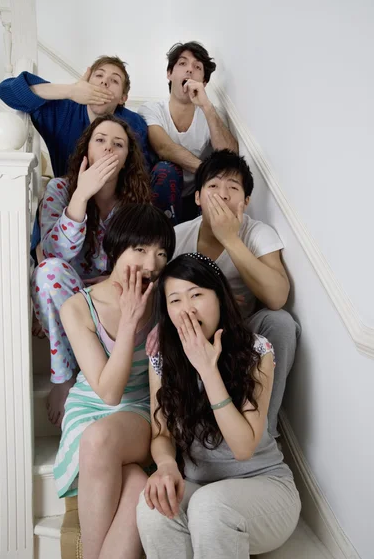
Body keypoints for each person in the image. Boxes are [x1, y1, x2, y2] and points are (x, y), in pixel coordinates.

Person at [137, 253, 301, 558]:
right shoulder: (163, 359)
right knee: (153, 508)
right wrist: (166, 466)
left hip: (264, 487)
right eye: (175, 300)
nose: (186, 308)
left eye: (196, 295)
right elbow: (161, 434)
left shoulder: (256, 351)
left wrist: (207, 369)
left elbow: (243, 449)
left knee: (210, 507)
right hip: (200, 487)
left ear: (219, 297)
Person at [147, 150, 299, 437]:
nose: (222, 195)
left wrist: (230, 238)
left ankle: (263, 432)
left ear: (246, 201)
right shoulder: (178, 236)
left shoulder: (259, 234)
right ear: (197, 197)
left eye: (233, 188)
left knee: (281, 322)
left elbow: (277, 297)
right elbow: (158, 290)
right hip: (191, 330)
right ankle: (178, 435)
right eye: (213, 186)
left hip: (241, 331)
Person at [53, 203, 176, 559]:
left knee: (101, 438)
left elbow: (129, 396)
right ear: (116, 247)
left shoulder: (165, 302)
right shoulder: (77, 307)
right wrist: (128, 322)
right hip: (88, 407)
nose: (151, 264)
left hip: (138, 409)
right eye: (140, 249)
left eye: (161, 253)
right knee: (136, 484)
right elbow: (106, 392)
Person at [32, 114, 151, 427]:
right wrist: (81, 195)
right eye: (100, 140)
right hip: (66, 297)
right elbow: (54, 254)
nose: (109, 149)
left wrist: (107, 283)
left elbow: (140, 263)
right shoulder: (60, 189)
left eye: (118, 144)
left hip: (109, 301)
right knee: (49, 273)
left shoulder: (135, 204)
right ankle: (62, 377)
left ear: (127, 158)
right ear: (87, 149)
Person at [0, 55, 151, 176]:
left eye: (114, 81)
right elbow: (6, 90)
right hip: (67, 200)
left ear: (123, 98)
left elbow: (142, 174)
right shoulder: (62, 110)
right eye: (99, 76)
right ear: (86, 82)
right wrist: (71, 91)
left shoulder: (134, 124)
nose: (104, 82)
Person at [139, 41, 238, 223]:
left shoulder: (213, 114)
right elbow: (164, 148)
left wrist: (206, 106)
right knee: (166, 169)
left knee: (218, 184)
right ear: (170, 74)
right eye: (182, 63)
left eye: (197, 67)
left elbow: (230, 157)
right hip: (160, 196)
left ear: (204, 82)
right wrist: (207, 172)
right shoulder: (151, 109)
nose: (189, 70)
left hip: (197, 198)